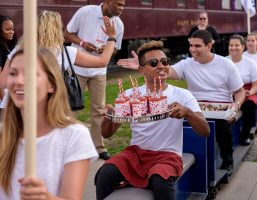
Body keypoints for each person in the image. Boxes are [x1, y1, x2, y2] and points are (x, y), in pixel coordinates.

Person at [118, 30, 245, 175]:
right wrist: (148, 65)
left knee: (223, 126)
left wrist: (236, 105)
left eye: (197, 46)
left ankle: (227, 162)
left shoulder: (226, 64)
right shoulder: (187, 64)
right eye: (191, 46)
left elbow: (239, 91)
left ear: (209, 46)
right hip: (195, 106)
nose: (192, 50)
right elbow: (167, 71)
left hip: (221, 108)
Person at [95, 40, 210, 200]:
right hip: (136, 154)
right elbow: (106, 133)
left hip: (167, 156)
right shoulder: (129, 95)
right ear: (142, 69)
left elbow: (205, 131)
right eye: (154, 63)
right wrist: (109, 117)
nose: (161, 66)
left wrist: (188, 113)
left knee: (160, 180)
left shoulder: (182, 95)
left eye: (165, 61)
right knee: (105, 173)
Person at [0, 10, 116, 158]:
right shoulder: (66, 53)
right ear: (56, 30)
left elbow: (2, 82)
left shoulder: (19, 50)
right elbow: (102, 61)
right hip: (45, 113)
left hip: (13, 110)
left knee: (13, 158)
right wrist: (111, 37)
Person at [0, 48, 98, 199]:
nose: (19, 81)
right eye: (13, 73)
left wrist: (46, 197)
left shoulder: (74, 136)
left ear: (51, 84)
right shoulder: (3, 134)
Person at [65, 0, 126, 160]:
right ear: (107, 2)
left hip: (99, 71)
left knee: (99, 110)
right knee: (71, 108)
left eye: (123, 5)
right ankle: (68, 147)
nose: (121, 8)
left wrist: (105, 50)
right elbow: (67, 33)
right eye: (118, 4)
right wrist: (83, 43)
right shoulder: (85, 12)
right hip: (77, 68)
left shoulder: (118, 24)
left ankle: (99, 148)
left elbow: (116, 48)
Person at [227, 35, 257, 145]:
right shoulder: (224, 61)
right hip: (228, 92)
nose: (233, 48)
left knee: (249, 106)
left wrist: (250, 92)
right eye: (231, 45)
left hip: (247, 91)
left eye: (237, 45)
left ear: (243, 47)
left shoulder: (250, 63)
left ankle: (245, 134)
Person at [0, 15, 17, 116]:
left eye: (12, 29)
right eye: (7, 29)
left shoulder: (9, 46)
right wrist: (4, 103)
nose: (11, 32)